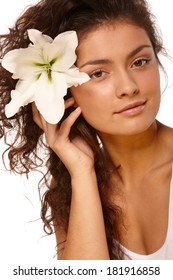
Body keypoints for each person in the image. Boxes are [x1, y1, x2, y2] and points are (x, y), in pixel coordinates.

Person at [0, 0, 173, 260]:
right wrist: (82, 173)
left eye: (139, 62)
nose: (128, 87)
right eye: (98, 73)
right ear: (65, 92)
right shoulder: (73, 191)